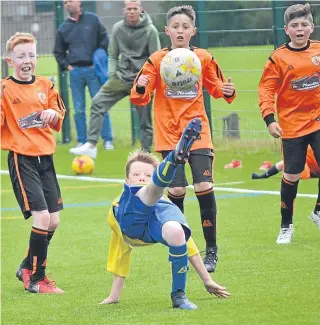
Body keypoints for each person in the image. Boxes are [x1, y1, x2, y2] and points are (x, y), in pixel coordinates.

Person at [130, 5, 236, 272]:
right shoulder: (156, 60)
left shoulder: (203, 57)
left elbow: (216, 87)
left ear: (193, 31)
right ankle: (182, 248)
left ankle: (211, 249)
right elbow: (139, 94)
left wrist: (227, 90)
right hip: (168, 134)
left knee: (202, 187)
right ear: (167, 30)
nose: (180, 30)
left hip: (197, 131)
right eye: (175, 26)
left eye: (185, 26)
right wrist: (141, 86)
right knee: (176, 190)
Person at [100, 118, 230, 310]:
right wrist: (113, 295)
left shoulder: (163, 202)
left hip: (155, 218)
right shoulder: (118, 205)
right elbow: (120, 251)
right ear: (126, 179)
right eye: (136, 175)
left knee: (176, 231)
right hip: (130, 221)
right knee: (147, 191)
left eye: (146, 175)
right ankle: (173, 160)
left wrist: (207, 281)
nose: (141, 177)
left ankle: (179, 295)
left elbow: (190, 246)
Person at [1, 32, 65, 293]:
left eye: (30, 55)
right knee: (41, 216)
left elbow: (58, 112)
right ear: (10, 60)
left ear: (37, 58)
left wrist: (53, 113)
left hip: (45, 158)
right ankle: (37, 279)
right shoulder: (4, 89)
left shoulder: (46, 85)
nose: (26, 60)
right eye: (20, 56)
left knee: (54, 221)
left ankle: (26, 265)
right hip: (22, 158)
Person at [258, 3, 320, 244]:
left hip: (317, 121)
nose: (300, 29)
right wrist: (269, 119)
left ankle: (317, 211)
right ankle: (286, 226)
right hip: (292, 127)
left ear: (312, 27)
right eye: (295, 25)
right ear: (286, 30)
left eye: (304, 24)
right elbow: (265, 90)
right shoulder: (278, 58)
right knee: (292, 175)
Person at [69, 0, 161, 158]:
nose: (132, 11)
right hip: (120, 77)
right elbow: (112, 54)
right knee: (98, 102)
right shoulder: (118, 28)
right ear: (123, 10)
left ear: (141, 9)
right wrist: (112, 74)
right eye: (129, 9)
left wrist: (147, 81)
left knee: (145, 120)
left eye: (135, 8)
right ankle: (91, 144)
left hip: (141, 81)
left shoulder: (150, 30)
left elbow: (156, 59)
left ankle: (146, 154)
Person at [53, 0, 114, 150]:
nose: (68, 4)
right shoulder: (63, 28)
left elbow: (104, 41)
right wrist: (68, 66)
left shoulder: (93, 20)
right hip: (76, 73)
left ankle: (107, 140)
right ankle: (82, 141)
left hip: (93, 70)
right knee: (79, 108)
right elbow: (58, 52)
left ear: (79, 2)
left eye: (70, 1)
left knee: (99, 105)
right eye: (65, 2)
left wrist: (98, 60)